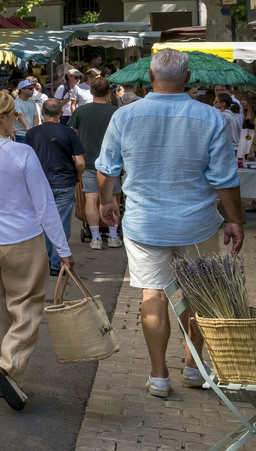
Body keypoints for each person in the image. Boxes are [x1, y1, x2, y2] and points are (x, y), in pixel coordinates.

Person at [96, 48, 244, 398]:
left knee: (154, 295)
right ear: (188, 77)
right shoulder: (211, 117)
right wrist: (235, 221)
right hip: (197, 222)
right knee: (198, 294)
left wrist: (106, 200)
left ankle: (159, 375)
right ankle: (194, 366)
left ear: (150, 76)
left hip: (145, 222)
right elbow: (225, 178)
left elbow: (107, 168)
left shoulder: (125, 116)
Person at [0, 89, 74, 411]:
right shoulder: (20, 153)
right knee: (26, 306)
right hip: (21, 239)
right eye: (14, 117)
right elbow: (45, 206)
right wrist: (62, 250)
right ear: (5, 117)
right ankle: (7, 367)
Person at [24, 99, 85, 275]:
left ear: (42, 113)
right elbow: (80, 162)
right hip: (64, 182)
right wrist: (77, 177)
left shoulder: (32, 134)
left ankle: (42, 261)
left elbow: (25, 160)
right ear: (61, 114)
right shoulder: (69, 133)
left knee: (41, 221)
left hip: (39, 183)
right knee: (61, 222)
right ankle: (57, 263)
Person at [70, 78, 121, 250]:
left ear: (90, 92)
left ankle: (96, 237)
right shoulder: (116, 111)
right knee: (113, 198)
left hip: (88, 161)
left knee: (90, 199)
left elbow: (73, 135)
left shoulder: (81, 111)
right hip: (111, 163)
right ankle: (113, 236)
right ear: (108, 92)